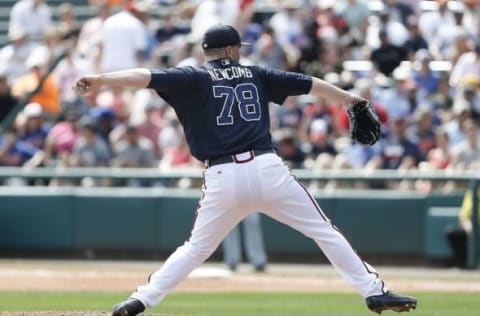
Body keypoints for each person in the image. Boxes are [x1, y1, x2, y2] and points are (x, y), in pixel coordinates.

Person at [73, 24, 417, 316]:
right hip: (268, 169)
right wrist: (352, 100)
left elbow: (144, 76)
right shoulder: (257, 73)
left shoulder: (191, 76)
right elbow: (309, 83)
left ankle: (139, 301)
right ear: (231, 49)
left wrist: (101, 79)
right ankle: (374, 291)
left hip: (222, 175)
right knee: (324, 231)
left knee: (195, 249)